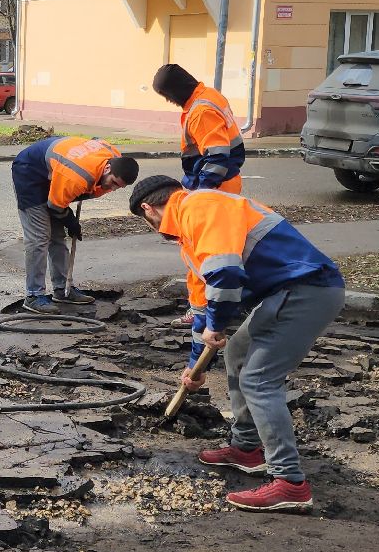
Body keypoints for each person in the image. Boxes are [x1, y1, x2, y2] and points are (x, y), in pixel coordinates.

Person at [128, 174, 345, 512]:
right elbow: (202, 310)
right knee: (237, 352)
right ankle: (246, 449)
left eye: (148, 222)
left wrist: (217, 323)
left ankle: (290, 483)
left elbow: (226, 273)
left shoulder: (200, 205)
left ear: (148, 209)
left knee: (259, 379)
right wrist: (195, 366)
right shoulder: (191, 236)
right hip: (288, 293)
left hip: (306, 290)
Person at [10, 136, 139, 314]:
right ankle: (33, 296)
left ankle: (62, 290)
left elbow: (96, 141)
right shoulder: (79, 176)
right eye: (114, 183)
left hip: (58, 170)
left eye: (119, 187)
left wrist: (74, 206)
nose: (113, 188)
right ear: (107, 167)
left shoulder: (113, 157)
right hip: (30, 172)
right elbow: (56, 206)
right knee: (39, 238)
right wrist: (70, 220)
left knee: (57, 237)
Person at [152, 63, 245, 193]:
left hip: (217, 187)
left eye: (167, 95)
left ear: (175, 90)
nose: (168, 100)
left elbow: (217, 157)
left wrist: (203, 192)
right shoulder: (210, 94)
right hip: (225, 181)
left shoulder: (201, 112)